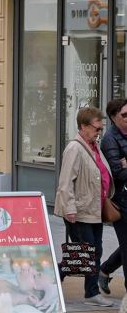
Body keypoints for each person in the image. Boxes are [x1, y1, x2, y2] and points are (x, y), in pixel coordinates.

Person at [56, 106, 116, 308]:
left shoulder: (92, 146)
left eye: (101, 128)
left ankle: (54, 279)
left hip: (94, 210)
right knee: (86, 253)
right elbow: (65, 183)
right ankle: (83, 289)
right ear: (83, 126)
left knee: (89, 252)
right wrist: (70, 208)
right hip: (80, 211)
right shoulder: (75, 148)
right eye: (96, 128)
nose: (99, 132)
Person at [100, 99, 127, 295]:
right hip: (121, 201)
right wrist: (122, 165)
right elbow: (117, 172)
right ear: (113, 117)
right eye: (124, 115)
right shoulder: (110, 138)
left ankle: (105, 269)